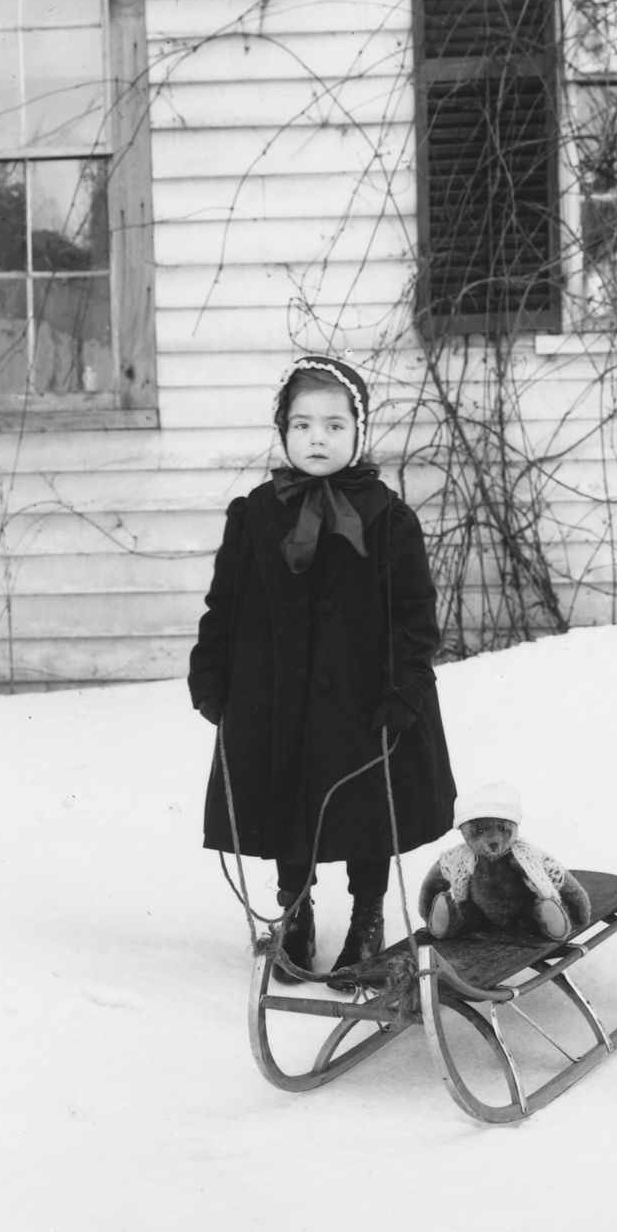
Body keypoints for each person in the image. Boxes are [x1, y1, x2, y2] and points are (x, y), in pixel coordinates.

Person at [188, 355, 457, 984]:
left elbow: (416, 621)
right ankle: (295, 909)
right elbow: (223, 604)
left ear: (358, 435)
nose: (318, 438)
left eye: (335, 426)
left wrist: (406, 691)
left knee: (363, 807)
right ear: (283, 430)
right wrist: (212, 670)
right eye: (304, 424)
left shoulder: (390, 521)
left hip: (365, 699)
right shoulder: (254, 514)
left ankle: (367, 916)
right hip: (275, 697)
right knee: (289, 803)